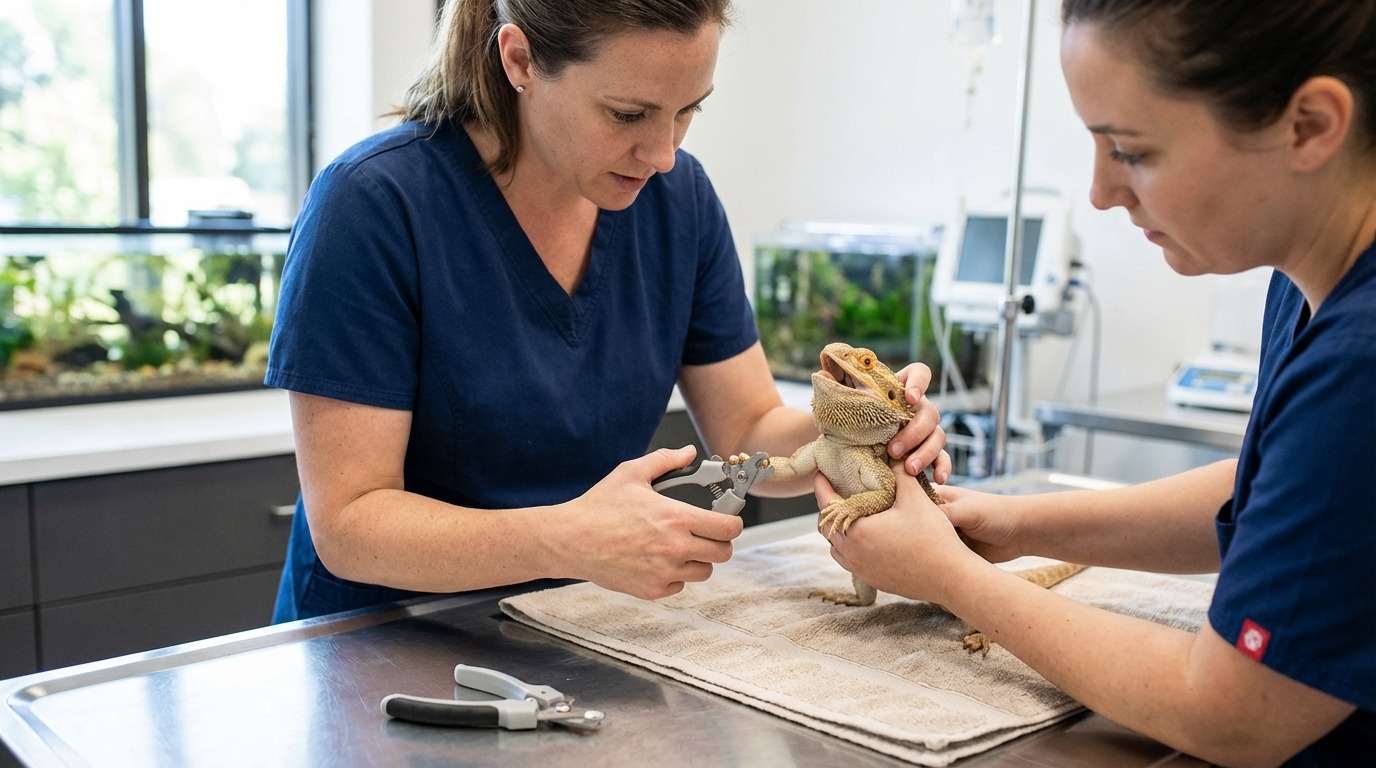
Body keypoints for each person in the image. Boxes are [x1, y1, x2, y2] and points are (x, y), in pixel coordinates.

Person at [265, 0, 950, 624]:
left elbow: (750, 427)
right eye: (628, 115)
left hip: (576, 627)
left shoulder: (680, 201)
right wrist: (568, 538)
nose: (664, 153)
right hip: (380, 644)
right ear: (520, 59)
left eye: (689, 110)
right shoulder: (373, 206)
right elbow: (351, 526)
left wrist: (864, 430)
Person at [826, 1, 1375, 765]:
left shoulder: (1360, 358)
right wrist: (1017, 524)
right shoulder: (1307, 281)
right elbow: (1282, 494)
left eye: (1132, 151)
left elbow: (1233, 714)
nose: (1100, 193)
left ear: (1309, 125)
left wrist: (947, 576)